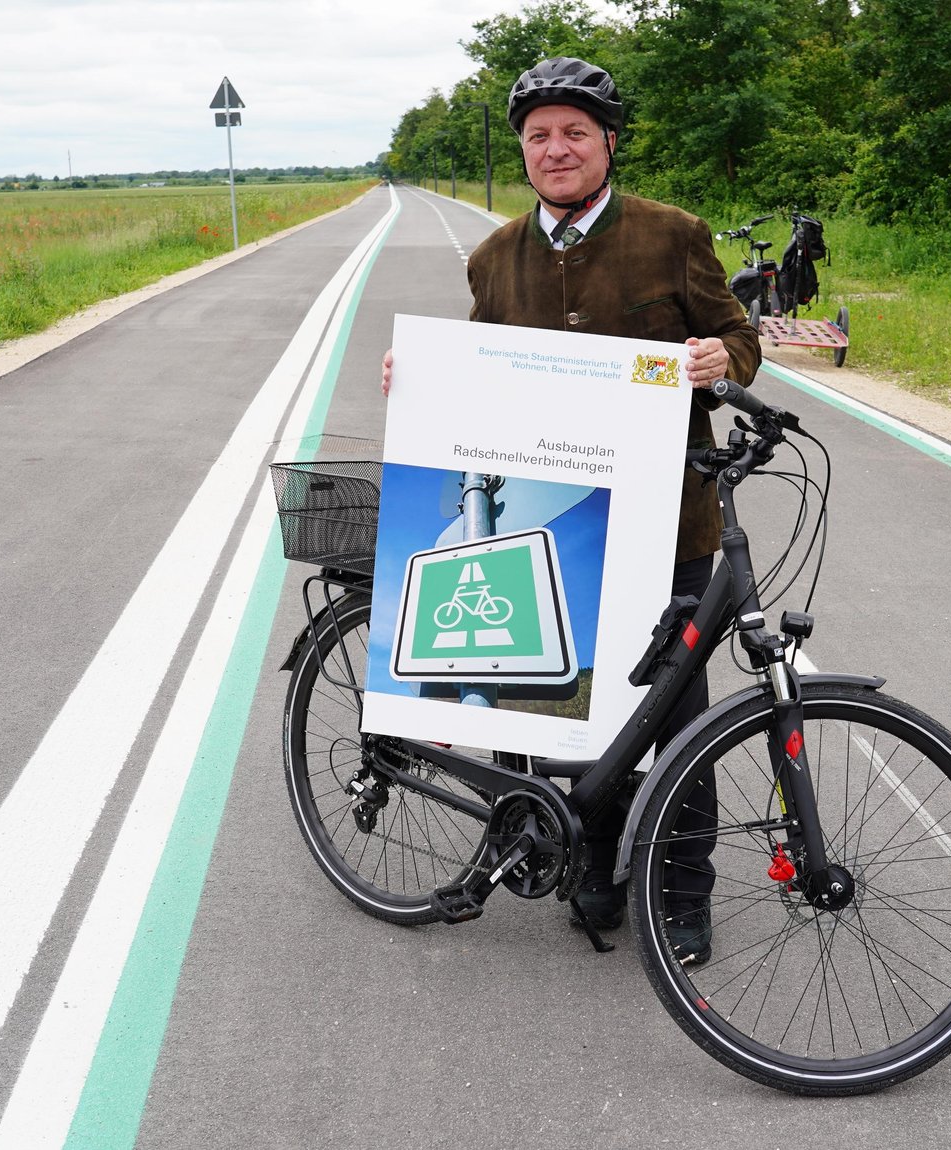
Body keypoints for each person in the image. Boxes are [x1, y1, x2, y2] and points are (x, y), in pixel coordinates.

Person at [383, 57, 759, 962]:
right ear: (524, 152)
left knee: (679, 715)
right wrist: (421, 384)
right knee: (562, 705)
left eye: (575, 133)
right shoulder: (494, 258)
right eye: (539, 136)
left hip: (670, 524)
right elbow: (477, 384)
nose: (557, 150)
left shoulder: (673, 235)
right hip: (546, 526)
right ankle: (593, 859)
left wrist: (721, 360)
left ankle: (684, 890)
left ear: (607, 144)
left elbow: (742, 335)